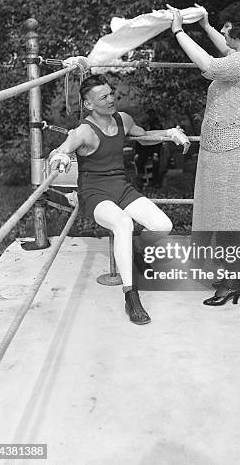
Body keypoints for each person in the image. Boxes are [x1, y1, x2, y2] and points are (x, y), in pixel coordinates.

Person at [49, 74, 190, 325]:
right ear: (89, 104)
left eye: (111, 93)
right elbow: (61, 150)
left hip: (121, 188)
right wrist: (58, 158)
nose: (110, 99)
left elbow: (144, 136)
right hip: (94, 193)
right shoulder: (83, 131)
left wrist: (170, 133)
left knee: (163, 225)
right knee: (124, 223)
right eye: (103, 97)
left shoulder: (122, 119)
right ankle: (131, 296)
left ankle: (133, 252)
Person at [166, 2, 240, 306]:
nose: (223, 31)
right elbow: (225, 53)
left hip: (236, 152)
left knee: (233, 218)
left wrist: (178, 31)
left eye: (226, 27)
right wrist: (207, 24)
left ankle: (234, 281)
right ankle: (231, 274)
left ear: (238, 29)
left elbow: (209, 65)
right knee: (220, 214)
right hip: (222, 151)